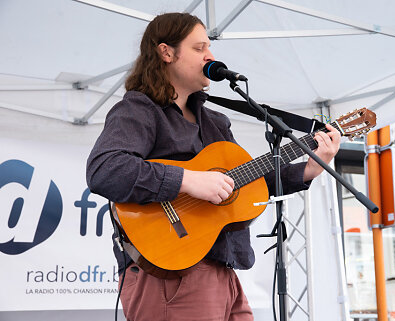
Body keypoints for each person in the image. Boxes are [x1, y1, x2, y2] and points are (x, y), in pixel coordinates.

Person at [86, 12, 340, 321]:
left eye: (209, 47)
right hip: (172, 276)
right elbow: (106, 169)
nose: (211, 56)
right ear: (166, 52)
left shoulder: (215, 122)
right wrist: (186, 180)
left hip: (224, 268)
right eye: (199, 48)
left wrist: (309, 169)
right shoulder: (140, 110)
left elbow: (247, 180)